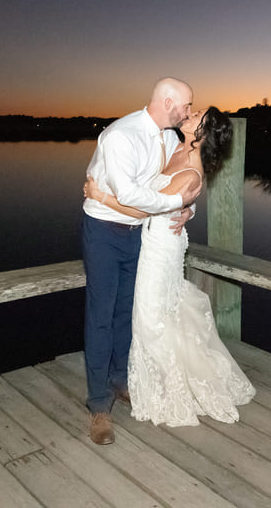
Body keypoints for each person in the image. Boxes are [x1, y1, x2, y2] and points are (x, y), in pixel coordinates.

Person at [85, 106, 255, 427]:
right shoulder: (175, 145)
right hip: (152, 240)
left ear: (201, 134)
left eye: (197, 117)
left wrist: (100, 196)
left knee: (151, 315)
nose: (189, 116)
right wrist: (188, 208)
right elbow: (160, 193)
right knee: (155, 311)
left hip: (160, 245)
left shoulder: (191, 171)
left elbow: (143, 210)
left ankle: (165, 385)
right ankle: (144, 377)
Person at [81, 77, 201, 445]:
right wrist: (174, 204)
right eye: (186, 105)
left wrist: (188, 207)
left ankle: (120, 381)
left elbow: (176, 181)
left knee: (126, 310)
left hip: (140, 233)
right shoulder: (121, 135)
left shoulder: (168, 137)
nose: (190, 112)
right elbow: (128, 193)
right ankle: (99, 406)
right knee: (101, 314)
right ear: (168, 103)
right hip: (103, 229)